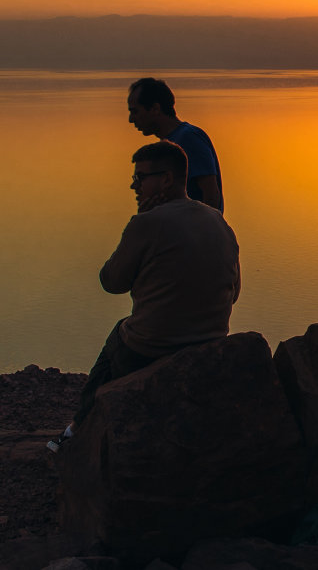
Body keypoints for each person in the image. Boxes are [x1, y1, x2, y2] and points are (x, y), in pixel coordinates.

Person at [48, 141, 239, 450]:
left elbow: (111, 281)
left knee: (119, 336)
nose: (134, 186)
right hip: (211, 340)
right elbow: (235, 292)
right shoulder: (218, 221)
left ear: (166, 179)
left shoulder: (146, 223)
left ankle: (76, 432)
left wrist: (138, 225)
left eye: (140, 178)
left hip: (153, 346)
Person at [127, 77, 224, 211]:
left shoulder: (188, 138)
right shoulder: (169, 143)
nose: (131, 119)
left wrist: (203, 228)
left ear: (155, 108)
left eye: (135, 111)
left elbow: (211, 195)